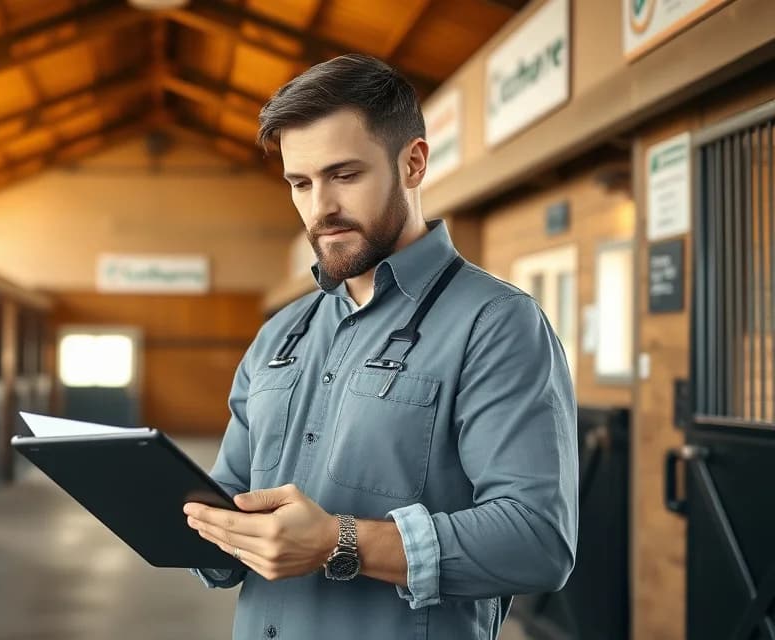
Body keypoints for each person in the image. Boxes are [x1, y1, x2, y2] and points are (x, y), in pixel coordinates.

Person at [183, 54, 578, 639]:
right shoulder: (278, 336)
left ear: (413, 163)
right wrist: (196, 528)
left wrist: (339, 542)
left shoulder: (496, 324)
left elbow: (537, 540)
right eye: (300, 183)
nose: (320, 208)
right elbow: (232, 503)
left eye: (344, 175)